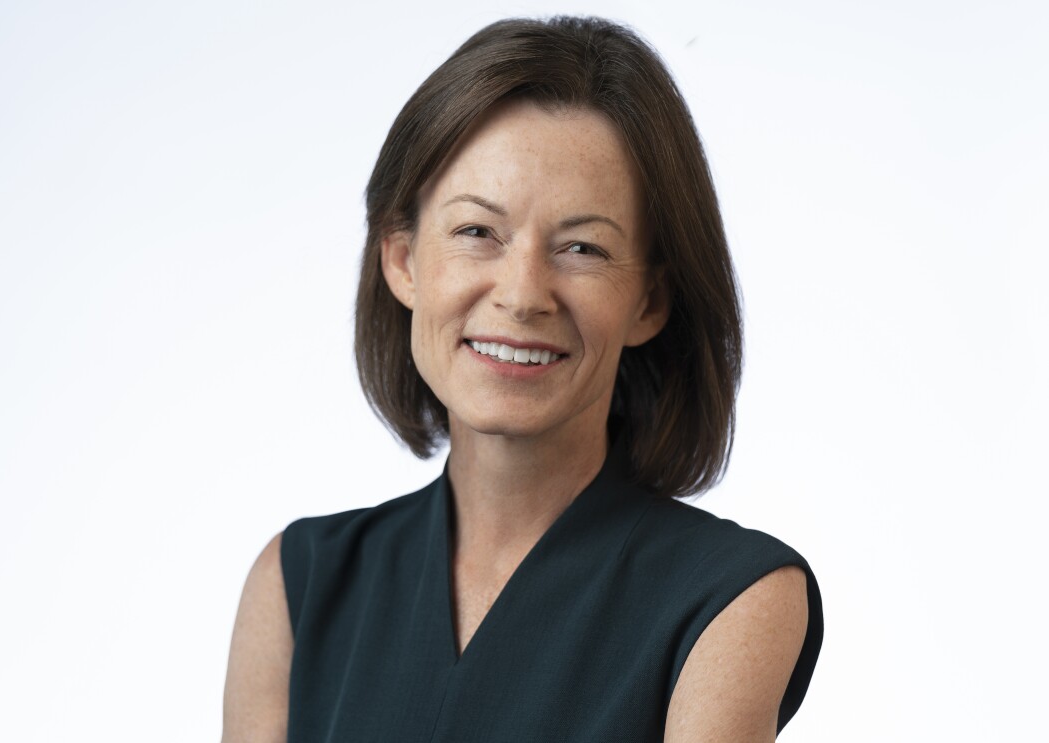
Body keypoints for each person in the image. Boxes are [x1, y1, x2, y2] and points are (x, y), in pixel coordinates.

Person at [222, 15, 823, 743]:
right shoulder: (297, 586)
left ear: (650, 301)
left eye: (582, 247)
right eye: (478, 232)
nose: (523, 293)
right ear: (403, 260)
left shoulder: (733, 599)